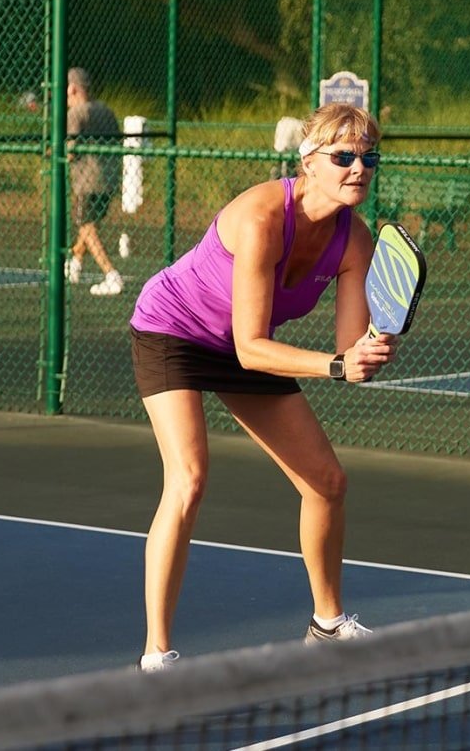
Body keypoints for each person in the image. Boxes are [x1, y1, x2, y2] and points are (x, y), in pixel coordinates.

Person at [126, 102, 397, 671]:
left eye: (368, 157)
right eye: (344, 156)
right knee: (190, 478)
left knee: (327, 481)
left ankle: (327, 622)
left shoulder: (355, 240)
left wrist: (365, 353)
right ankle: (157, 656)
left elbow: (348, 353)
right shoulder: (261, 218)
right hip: (173, 331)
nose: (359, 168)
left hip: (245, 347)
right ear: (309, 161)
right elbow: (253, 347)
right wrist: (336, 366)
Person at [62, 67, 126, 296]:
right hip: (110, 178)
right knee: (89, 225)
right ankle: (75, 263)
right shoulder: (105, 110)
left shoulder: (76, 113)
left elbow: (70, 149)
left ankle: (111, 275)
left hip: (87, 181)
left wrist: (55, 153)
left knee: (86, 227)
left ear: (73, 89)